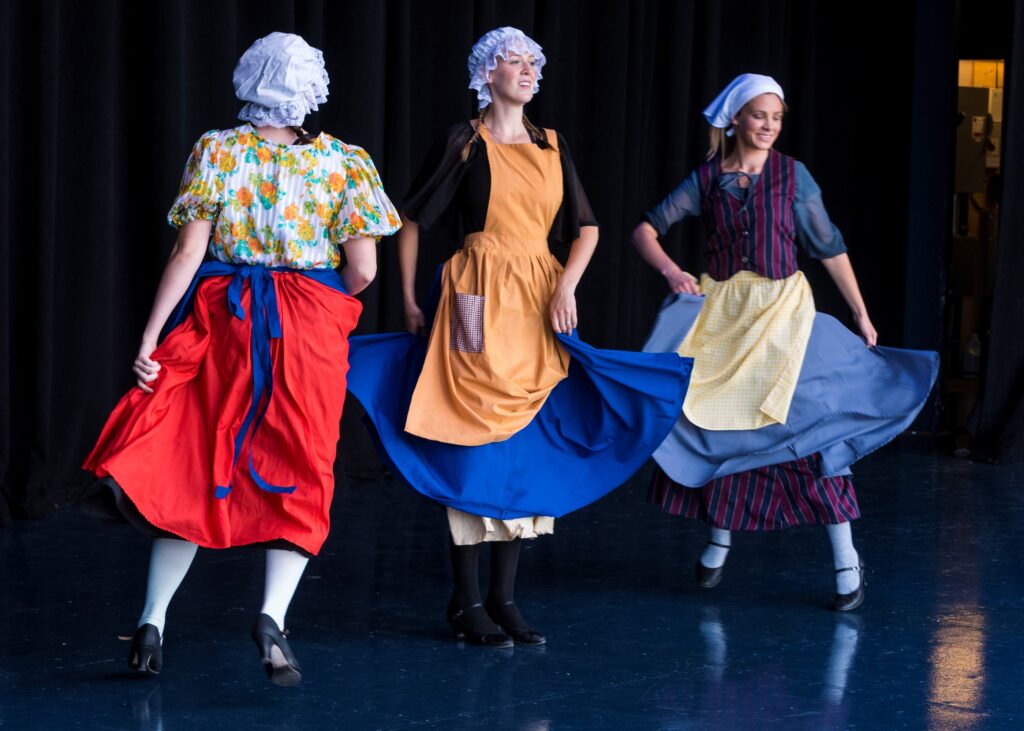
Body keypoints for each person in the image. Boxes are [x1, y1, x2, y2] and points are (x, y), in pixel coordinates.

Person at [347, 27, 692, 647]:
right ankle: (464, 598)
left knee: (526, 436)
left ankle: (504, 598)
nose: (530, 70)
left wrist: (567, 288)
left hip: (538, 298)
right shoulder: (465, 141)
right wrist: (405, 299)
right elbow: (409, 221)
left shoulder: (552, 145)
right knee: (473, 427)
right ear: (487, 72)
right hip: (475, 296)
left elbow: (586, 228)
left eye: (535, 61)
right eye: (515, 60)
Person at [82, 32, 400, 683]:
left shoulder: (218, 150)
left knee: (199, 462)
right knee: (303, 465)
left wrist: (149, 337)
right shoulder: (344, 161)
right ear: (311, 88)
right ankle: (271, 618)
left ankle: (151, 621)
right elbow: (364, 268)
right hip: (307, 326)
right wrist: (315, 293)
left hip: (226, 320)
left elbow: (187, 254)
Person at [633, 74, 938, 611]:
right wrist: (672, 272)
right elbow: (645, 229)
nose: (769, 126)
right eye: (759, 116)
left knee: (812, 427)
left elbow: (829, 247)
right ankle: (720, 537)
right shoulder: (708, 179)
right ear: (736, 120)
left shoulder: (793, 177)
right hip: (725, 316)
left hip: (783, 314)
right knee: (718, 424)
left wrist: (861, 313)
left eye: (777, 117)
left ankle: (846, 560)